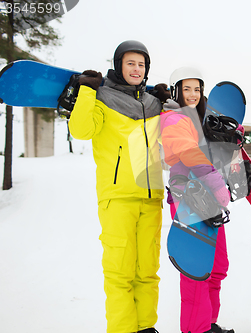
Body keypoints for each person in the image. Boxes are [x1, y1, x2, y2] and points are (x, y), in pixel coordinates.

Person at [68, 40, 164, 333]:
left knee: (148, 272)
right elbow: (81, 130)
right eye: (131, 63)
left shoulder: (152, 103)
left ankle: (146, 327)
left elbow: (181, 140)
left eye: (142, 64)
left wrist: (169, 103)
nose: (137, 69)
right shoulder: (102, 97)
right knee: (119, 273)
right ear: (119, 65)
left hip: (152, 199)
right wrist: (86, 90)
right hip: (118, 198)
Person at [158, 67, 234, 333]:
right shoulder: (173, 118)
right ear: (176, 90)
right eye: (186, 88)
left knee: (216, 266)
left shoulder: (198, 119)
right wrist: (215, 182)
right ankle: (195, 329)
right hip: (188, 199)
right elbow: (189, 154)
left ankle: (208, 322)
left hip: (208, 200)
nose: (192, 94)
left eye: (197, 89)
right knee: (196, 268)